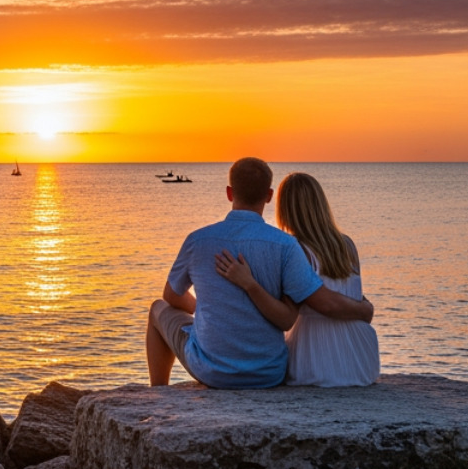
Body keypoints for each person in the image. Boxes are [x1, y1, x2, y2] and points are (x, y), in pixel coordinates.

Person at [146, 157, 375, 388]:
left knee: (158, 308)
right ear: (268, 195)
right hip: (269, 373)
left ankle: (158, 392)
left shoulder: (197, 240)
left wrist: (204, 309)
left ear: (229, 193)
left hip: (213, 371)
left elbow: (172, 296)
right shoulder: (286, 245)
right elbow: (289, 318)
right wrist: (364, 308)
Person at [215, 171, 380, 386]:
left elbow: (312, 305)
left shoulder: (295, 248)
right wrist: (364, 309)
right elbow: (352, 293)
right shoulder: (346, 244)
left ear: (284, 209)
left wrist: (248, 282)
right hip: (360, 358)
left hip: (317, 357)